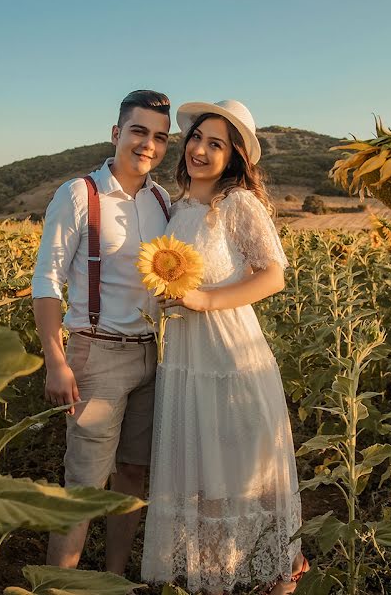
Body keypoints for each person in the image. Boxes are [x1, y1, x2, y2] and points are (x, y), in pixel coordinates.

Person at [140, 100, 308, 594]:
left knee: (240, 470)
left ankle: (275, 576)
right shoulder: (179, 207)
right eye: (196, 137)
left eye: (216, 144)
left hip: (231, 353)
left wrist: (204, 299)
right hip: (188, 357)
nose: (200, 149)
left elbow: (273, 276)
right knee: (203, 472)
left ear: (234, 156)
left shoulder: (236, 205)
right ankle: (218, 578)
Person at [31, 90, 172, 574]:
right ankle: (59, 586)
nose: (147, 145)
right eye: (138, 131)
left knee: (133, 474)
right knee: (84, 488)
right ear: (116, 133)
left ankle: (113, 578)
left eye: (159, 137)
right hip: (97, 355)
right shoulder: (78, 194)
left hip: (150, 355)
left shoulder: (160, 198)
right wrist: (56, 359)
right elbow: (46, 281)